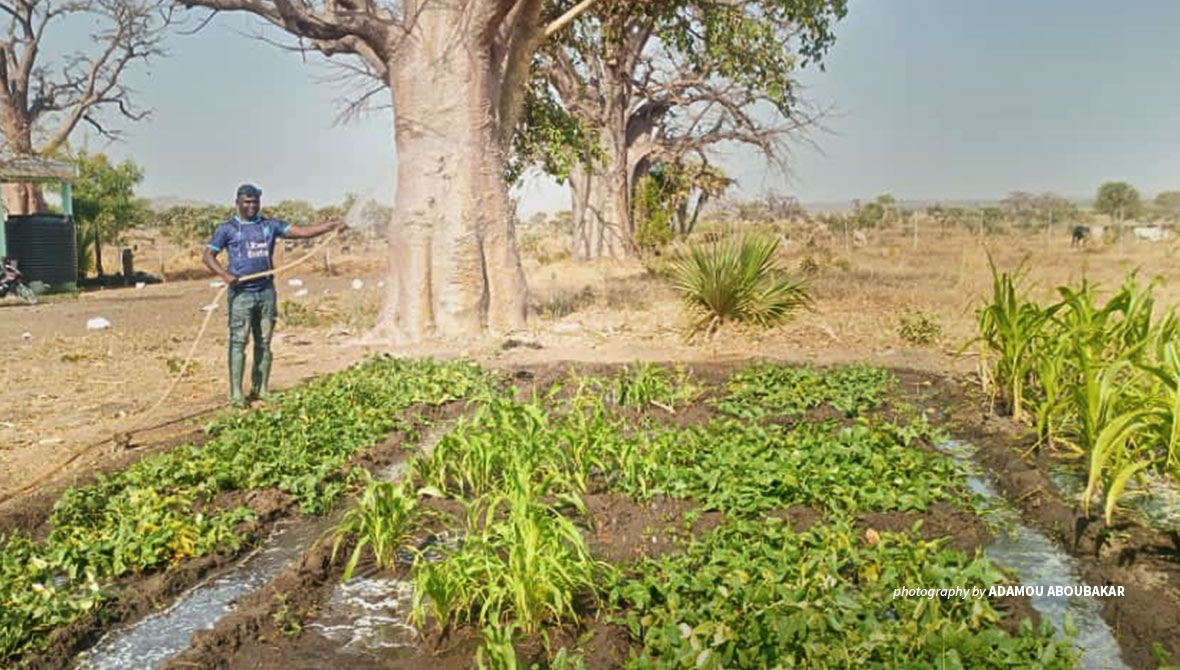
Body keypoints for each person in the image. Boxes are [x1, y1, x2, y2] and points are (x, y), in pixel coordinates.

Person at [202, 184, 344, 407]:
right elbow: (208, 255)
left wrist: (331, 226)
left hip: (266, 291)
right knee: (238, 341)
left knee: (264, 342)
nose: (251, 206)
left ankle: (261, 389)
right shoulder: (227, 229)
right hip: (241, 294)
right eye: (247, 202)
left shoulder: (269, 226)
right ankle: (237, 394)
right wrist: (224, 275)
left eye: (255, 201)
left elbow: (302, 232)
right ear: (237, 202)